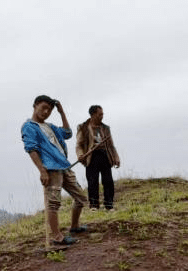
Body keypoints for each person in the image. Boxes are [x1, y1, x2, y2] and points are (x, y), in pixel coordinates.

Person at [21, 95, 88, 248]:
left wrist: (61, 112)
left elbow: (68, 133)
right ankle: (57, 237)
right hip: (51, 169)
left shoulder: (50, 126)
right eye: (43, 108)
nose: (46, 112)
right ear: (35, 105)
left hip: (65, 166)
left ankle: (75, 226)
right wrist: (42, 171)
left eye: (49, 110)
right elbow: (31, 149)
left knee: (81, 197)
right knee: (53, 203)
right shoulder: (29, 126)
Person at [76, 105, 121, 210]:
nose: (102, 116)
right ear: (93, 115)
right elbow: (79, 145)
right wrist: (80, 155)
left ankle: (109, 205)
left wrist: (116, 157)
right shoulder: (83, 127)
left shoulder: (105, 128)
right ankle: (94, 205)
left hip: (105, 155)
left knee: (108, 181)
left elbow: (111, 144)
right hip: (91, 156)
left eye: (102, 114)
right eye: (100, 114)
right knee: (92, 181)